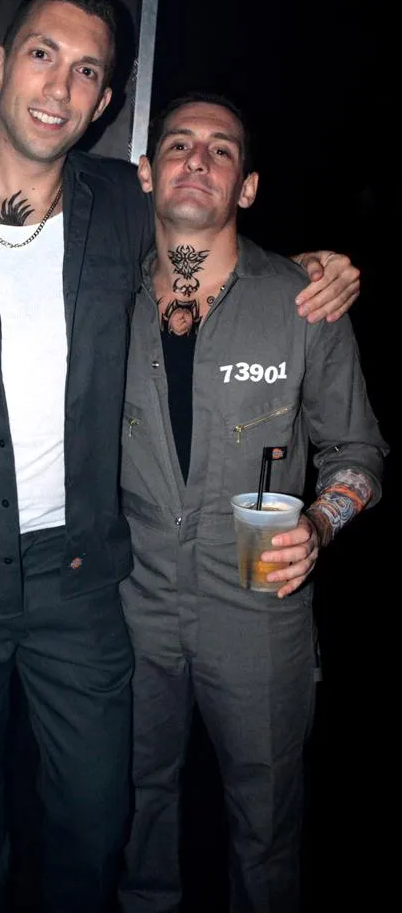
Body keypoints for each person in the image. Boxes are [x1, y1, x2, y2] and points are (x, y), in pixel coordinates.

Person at [0, 0, 359, 913]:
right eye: (42, 55)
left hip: (79, 581)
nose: (59, 86)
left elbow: (209, 233)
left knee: (98, 820)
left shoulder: (120, 210)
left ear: (103, 103)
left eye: (86, 71)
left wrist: (311, 271)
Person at [117, 92, 387, 913]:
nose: (196, 159)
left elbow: (357, 454)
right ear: (145, 172)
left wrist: (319, 521)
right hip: (129, 603)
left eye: (220, 149)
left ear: (247, 187)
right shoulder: (99, 296)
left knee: (265, 821)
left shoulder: (302, 301)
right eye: (177, 145)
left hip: (258, 608)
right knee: (132, 808)